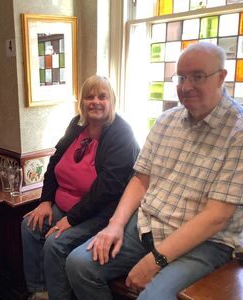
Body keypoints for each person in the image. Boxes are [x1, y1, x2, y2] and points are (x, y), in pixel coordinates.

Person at [66, 43, 243, 300]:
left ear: (221, 77)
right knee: (79, 265)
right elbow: (140, 180)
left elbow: (216, 217)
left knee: (153, 297)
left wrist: (156, 260)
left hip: (204, 243)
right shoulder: (166, 121)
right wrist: (115, 225)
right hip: (147, 226)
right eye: (181, 77)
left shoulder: (238, 132)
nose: (186, 86)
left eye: (197, 76)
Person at [21, 75, 140, 300]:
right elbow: (55, 161)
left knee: (54, 244)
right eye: (89, 97)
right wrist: (45, 201)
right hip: (66, 204)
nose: (95, 101)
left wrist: (71, 219)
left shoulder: (121, 133)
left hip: (101, 211)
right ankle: (40, 291)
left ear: (111, 101)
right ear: (82, 103)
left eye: (102, 96)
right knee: (30, 225)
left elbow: (109, 188)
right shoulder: (77, 124)